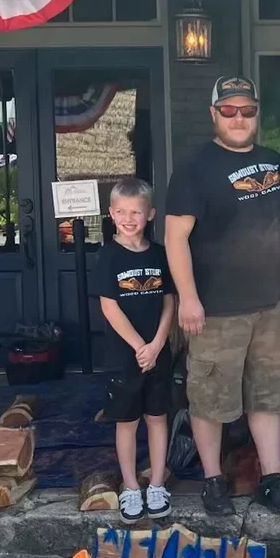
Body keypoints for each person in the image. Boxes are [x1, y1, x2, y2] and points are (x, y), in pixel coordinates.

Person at [165, 76, 280, 518]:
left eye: (247, 110)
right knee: (210, 399)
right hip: (215, 309)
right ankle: (212, 481)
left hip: (270, 305)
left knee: (269, 395)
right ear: (214, 114)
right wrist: (187, 297)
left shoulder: (275, 162)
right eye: (229, 110)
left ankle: (272, 479)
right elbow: (175, 237)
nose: (239, 118)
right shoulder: (194, 169)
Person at [95, 178, 175, 524]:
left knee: (157, 417)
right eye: (122, 212)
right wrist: (139, 346)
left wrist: (157, 344)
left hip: (157, 352)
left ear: (150, 214)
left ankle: (156, 483)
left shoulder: (160, 254)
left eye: (137, 213)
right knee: (126, 421)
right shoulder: (108, 256)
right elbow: (110, 307)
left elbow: (170, 301)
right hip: (123, 355)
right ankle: (130, 486)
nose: (130, 219)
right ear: (112, 214)